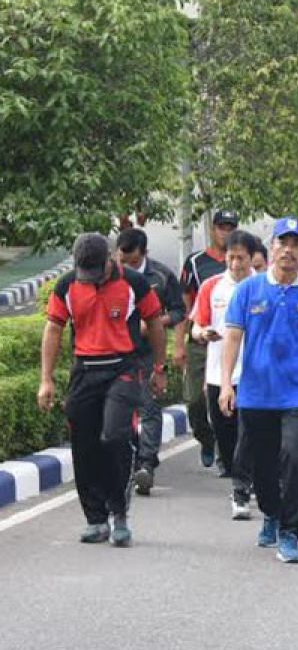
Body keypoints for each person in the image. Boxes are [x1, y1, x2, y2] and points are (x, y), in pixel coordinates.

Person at [219, 218, 298, 564]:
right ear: (270, 247)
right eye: (281, 242)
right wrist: (226, 382)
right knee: (263, 464)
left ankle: (290, 531)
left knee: (294, 458)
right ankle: (271, 514)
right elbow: (232, 337)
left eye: (296, 243)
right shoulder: (248, 290)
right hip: (257, 393)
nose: (288, 249)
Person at [39, 233, 167, 547]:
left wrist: (160, 368)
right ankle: (95, 519)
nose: (90, 279)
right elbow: (54, 328)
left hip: (122, 368)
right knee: (84, 446)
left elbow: (154, 323)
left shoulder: (135, 283)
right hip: (84, 371)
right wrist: (47, 379)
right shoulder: (67, 286)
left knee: (113, 436)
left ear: (110, 260)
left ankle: (120, 512)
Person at [114, 228, 186, 496]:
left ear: (143, 254)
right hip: (117, 352)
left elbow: (179, 310)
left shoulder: (160, 276)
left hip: (147, 352)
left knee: (149, 406)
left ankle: (146, 464)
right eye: (122, 260)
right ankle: (133, 457)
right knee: (119, 410)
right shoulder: (109, 275)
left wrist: (154, 324)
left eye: (132, 261)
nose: (126, 266)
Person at [190, 230, 256, 520]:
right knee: (225, 435)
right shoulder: (211, 286)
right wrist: (203, 333)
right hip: (219, 374)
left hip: (254, 376)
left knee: (249, 433)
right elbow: (196, 324)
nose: (235, 264)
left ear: (251, 258)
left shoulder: (262, 286)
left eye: (241, 258)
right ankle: (238, 475)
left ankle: (243, 487)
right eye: (231, 257)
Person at [178, 210, 238, 469]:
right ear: (213, 229)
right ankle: (206, 438)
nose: (226, 231)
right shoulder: (196, 263)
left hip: (235, 342)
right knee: (195, 400)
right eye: (222, 227)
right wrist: (179, 343)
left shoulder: (240, 261)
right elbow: (184, 304)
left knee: (230, 398)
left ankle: (228, 454)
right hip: (202, 340)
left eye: (231, 227)